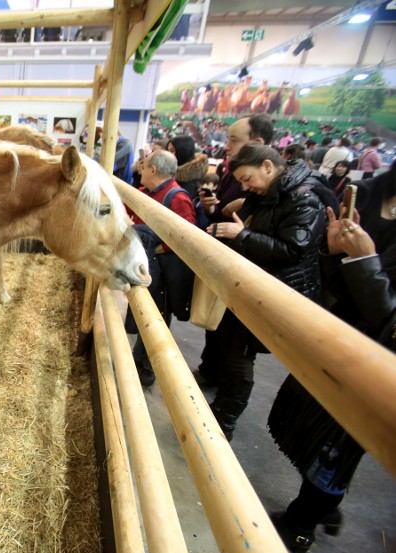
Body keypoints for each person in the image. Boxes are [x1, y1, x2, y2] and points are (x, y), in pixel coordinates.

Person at [268, 163, 396, 553]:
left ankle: (302, 523)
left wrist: (364, 261)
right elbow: (337, 279)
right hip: (341, 335)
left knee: (337, 446)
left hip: (378, 360)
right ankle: (323, 506)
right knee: (309, 426)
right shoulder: (371, 194)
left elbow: (390, 319)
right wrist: (336, 251)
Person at [205, 143, 334, 440]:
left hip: (278, 288)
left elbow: (293, 250)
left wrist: (243, 235)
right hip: (254, 282)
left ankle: (224, 422)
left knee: (240, 354)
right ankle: (220, 410)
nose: (245, 186)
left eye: (247, 179)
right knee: (231, 347)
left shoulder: (304, 199)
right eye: (241, 181)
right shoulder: (266, 193)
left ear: (267, 166)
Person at [194, 114, 274, 387]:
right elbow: (223, 217)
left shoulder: (279, 193)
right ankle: (209, 372)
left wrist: (244, 235)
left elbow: (287, 247)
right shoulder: (232, 173)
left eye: (234, 140)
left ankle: (225, 408)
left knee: (237, 346)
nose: (226, 145)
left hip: (250, 273)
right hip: (228, 260)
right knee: (217, 327)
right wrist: (212, 209)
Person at [127, 150, 197, 386]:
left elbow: (187, 238)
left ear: (153, 170)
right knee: (143, 313)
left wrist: (156, 249)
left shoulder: (177, 197)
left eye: (144, 166)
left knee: (157, 316)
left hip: (163, 270)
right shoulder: (143, 193)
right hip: (145, 263)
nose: (141, 169)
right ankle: (138, 359)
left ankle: (148, 367)